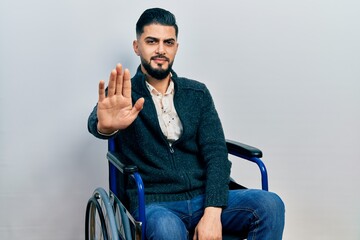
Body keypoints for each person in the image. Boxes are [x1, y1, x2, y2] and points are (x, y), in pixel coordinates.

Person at [88, 7, 285, 240]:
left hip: (205, 196)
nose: (161, 50)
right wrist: (105, 127)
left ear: (176, 48)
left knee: (270, 205)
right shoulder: (123, 93)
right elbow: (97, 123)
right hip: (154, 202)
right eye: (152, 41)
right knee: (166, 229)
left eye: (168, 42)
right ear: (137, 46)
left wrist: (212, 213)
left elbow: (216, 153)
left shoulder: (197, 94)